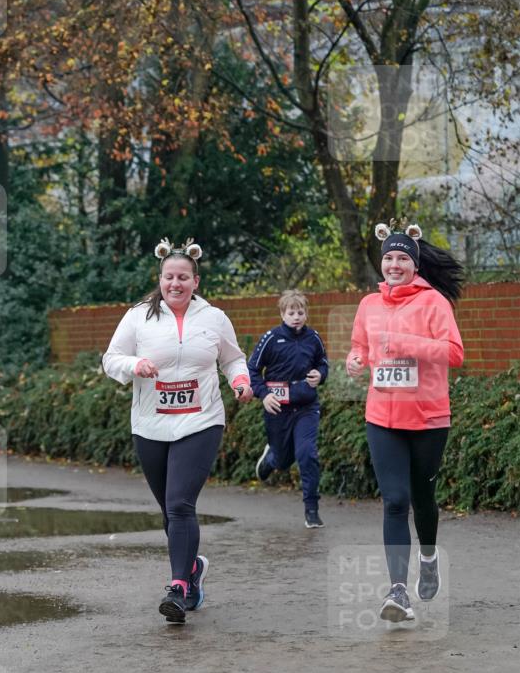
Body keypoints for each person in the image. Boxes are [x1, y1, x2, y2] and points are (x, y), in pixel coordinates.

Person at [102, 237, 253, 624]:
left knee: (180, 504)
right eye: (169, 277)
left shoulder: (214, 318)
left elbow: (232, 359)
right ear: (160, 278)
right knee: (170, 512)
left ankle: (178, 589)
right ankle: (193, 571)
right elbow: (111, 359)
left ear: (195, 281)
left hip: (201, 421)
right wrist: (135, 365)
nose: (176, 284)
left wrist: (240, 382)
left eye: (183, 277)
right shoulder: (138, 316)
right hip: (150, 424)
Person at [346, 219, 465, 623]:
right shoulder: (368, 305)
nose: (394, 264)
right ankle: (398, 590)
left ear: (414, 264)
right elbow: (360, 347)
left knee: (422, 498)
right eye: (389, 258)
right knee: (395, 501)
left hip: (429, 417)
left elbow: (454, 353)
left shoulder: (434, 303)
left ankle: (428, 556)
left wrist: (404, 344)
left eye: (402, 258)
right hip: (382, 417)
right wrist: (355, 360)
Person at [248, 290, 329, 528]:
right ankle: (272, 458)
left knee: (307, 454)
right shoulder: (271, 338)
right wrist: (263, 395)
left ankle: (311, 509)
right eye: (291, 312)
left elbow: (322, 363)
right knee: (284, 461)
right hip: (278, 409)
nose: (296, 317)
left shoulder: (313, 337)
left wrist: (320, 375)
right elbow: (252, 370)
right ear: (282, 314)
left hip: (306, 406)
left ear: (306, 314)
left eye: (300, 312)